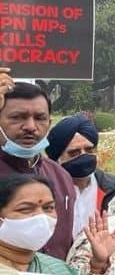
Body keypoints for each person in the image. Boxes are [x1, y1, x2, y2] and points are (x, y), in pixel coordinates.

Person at [0, 81, 75, 260]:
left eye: (40, 118)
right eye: (17, 117)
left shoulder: (61, 176)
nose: (31, 127)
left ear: (49, 122)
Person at [0, 175, 76, 275]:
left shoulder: (58, 268)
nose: (41, 217)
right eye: (26, 209)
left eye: (48, 208)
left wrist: (98, 267)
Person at [45, 114, 115, 238]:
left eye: (89, 150)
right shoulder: (45, 192)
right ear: (57, 159)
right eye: (74, 153)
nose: (84, 156)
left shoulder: (114, 189)